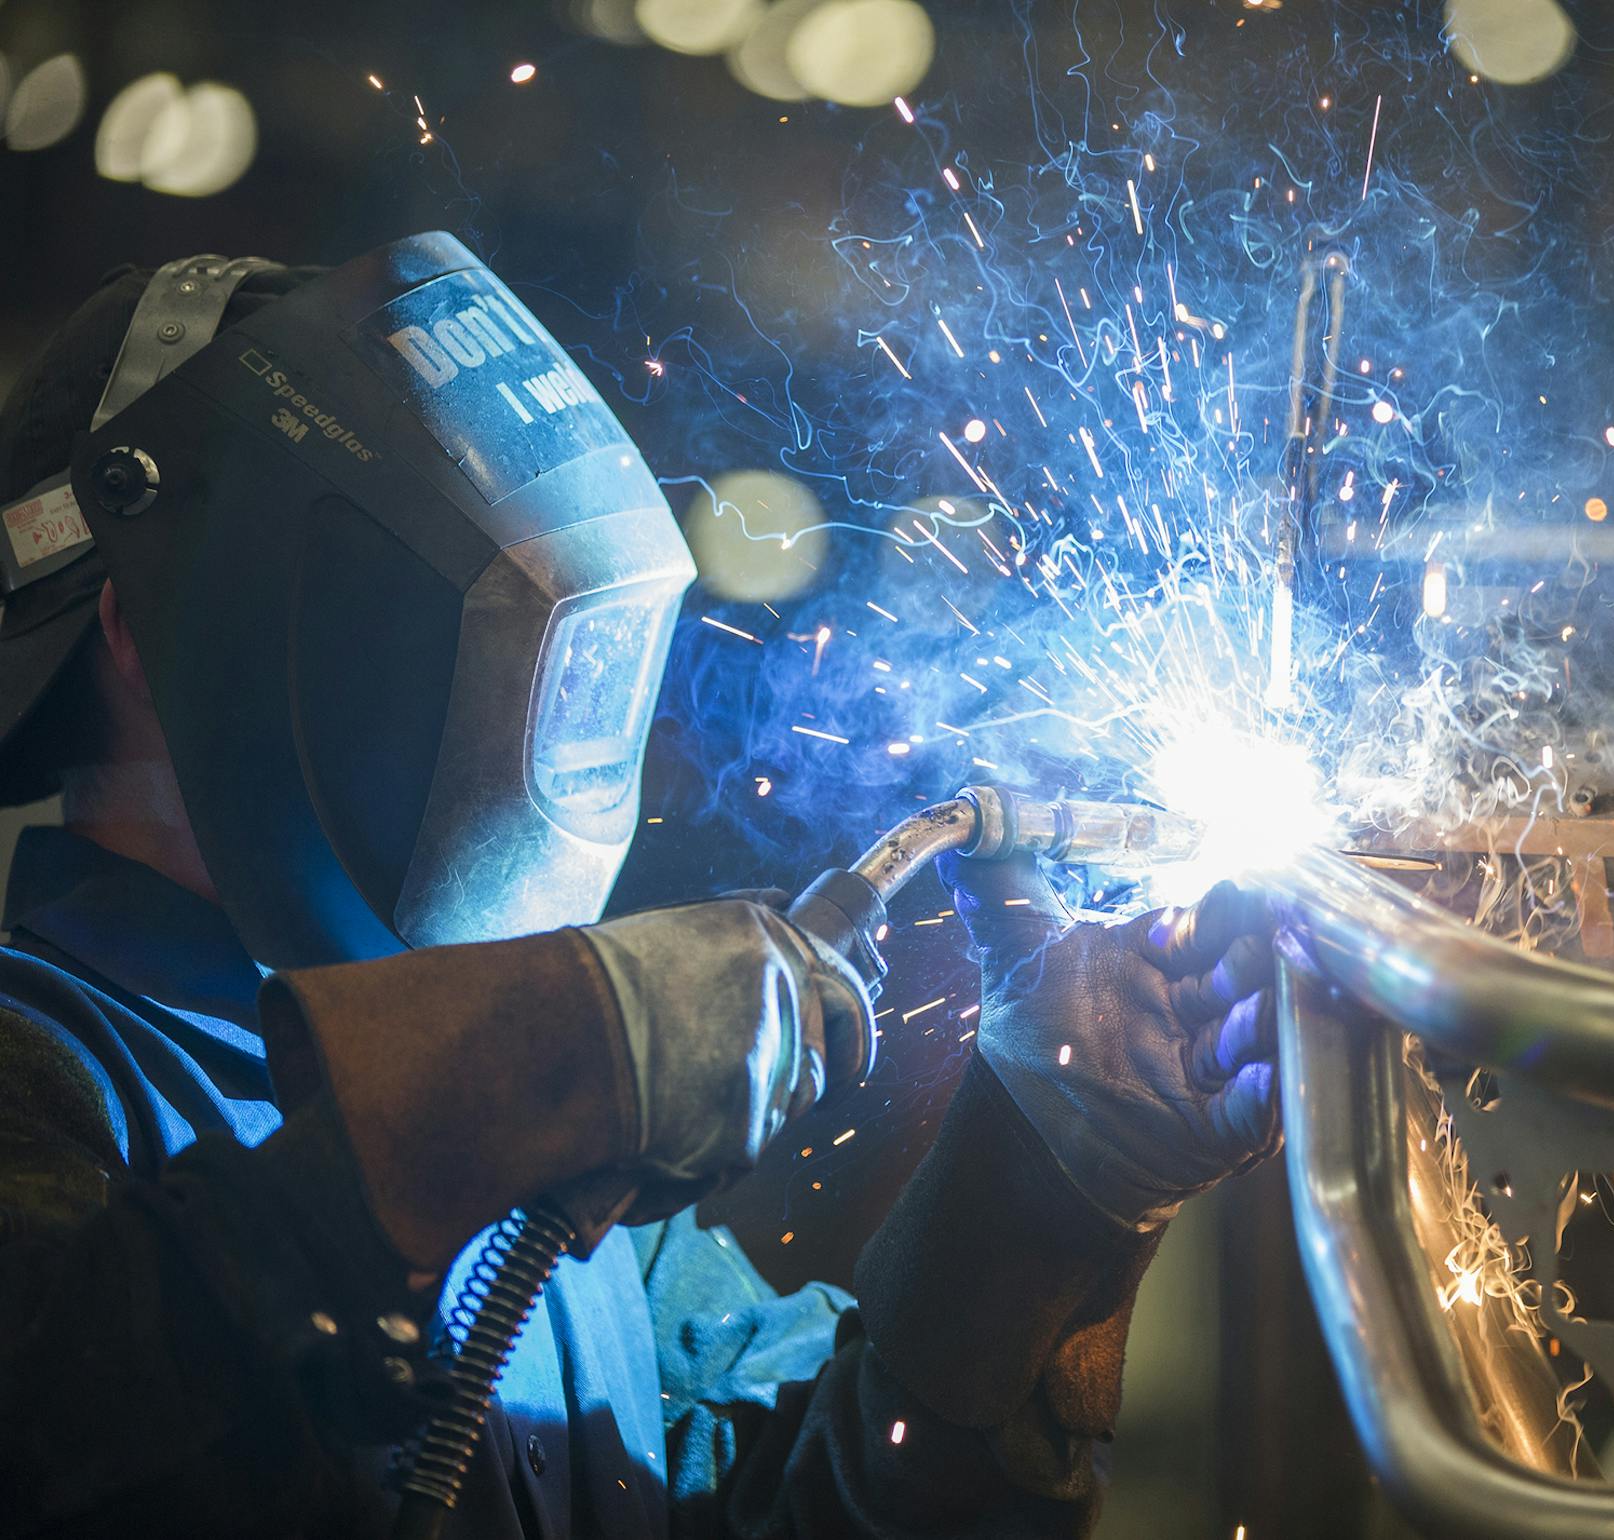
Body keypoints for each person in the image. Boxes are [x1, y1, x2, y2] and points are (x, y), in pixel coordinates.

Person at [0, 236, 1281, 1538]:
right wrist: (530, 1069)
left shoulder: (578, 1214)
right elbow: (52, 1401)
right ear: (140, 637)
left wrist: (1055, 1182)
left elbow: (835, 1502)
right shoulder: (42, 1075)